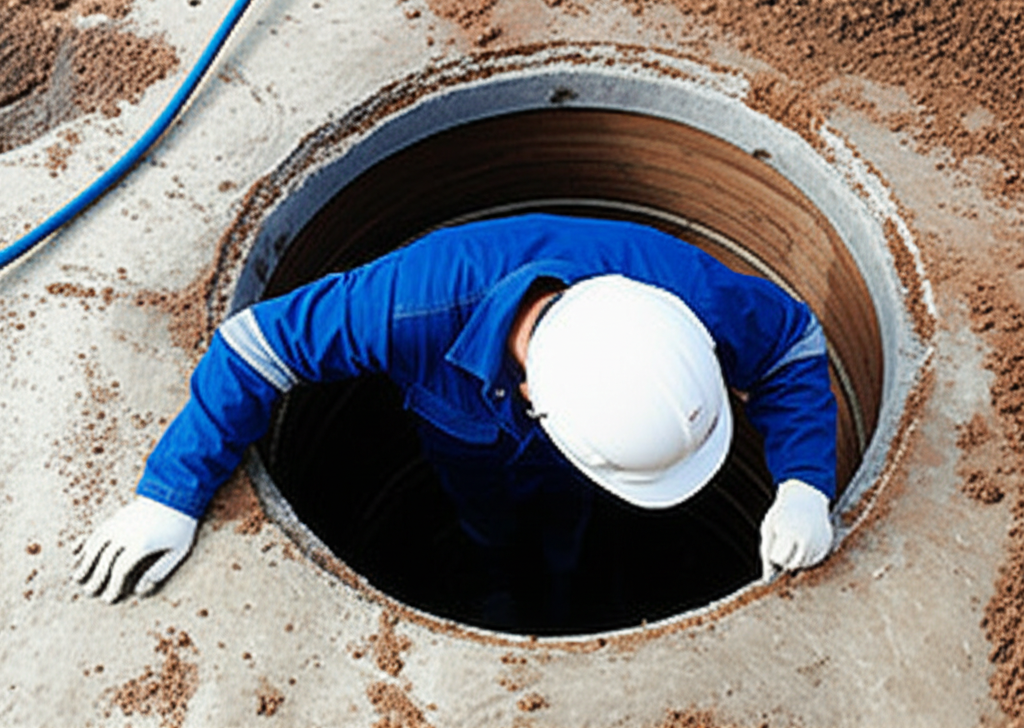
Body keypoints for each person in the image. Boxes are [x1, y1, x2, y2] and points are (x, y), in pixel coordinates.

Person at [73, 213, 836, 608]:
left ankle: (568, 586)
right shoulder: (413, 301)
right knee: (488, 525)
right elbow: (253, 345)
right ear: (536, 397)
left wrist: (804, 481)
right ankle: (498, 579)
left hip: (573, 470)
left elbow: (792, 344)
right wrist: (168, 493)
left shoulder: (687, 294)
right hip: (464, 446)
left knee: (568, 527)